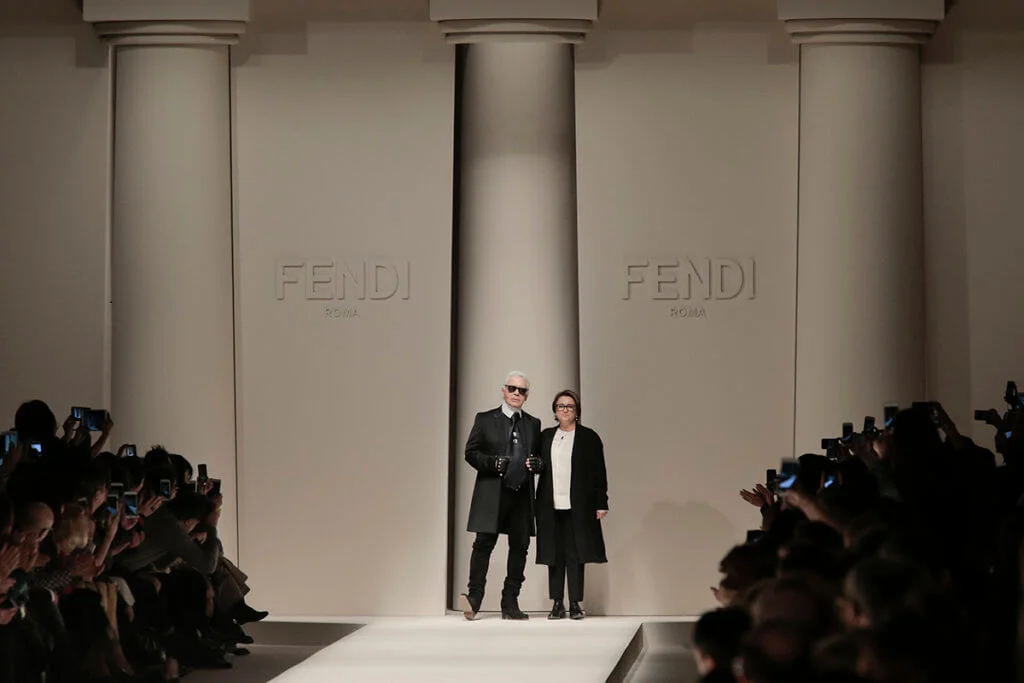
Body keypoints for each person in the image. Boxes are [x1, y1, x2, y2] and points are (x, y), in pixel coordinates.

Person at [459, 371, 543, 621]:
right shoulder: (485, 419)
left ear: (527, 395)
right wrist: (492, 463)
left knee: (520, 546)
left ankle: (510, 602)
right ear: (503, 390)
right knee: (483, 544)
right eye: (512, 388)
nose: (516, 393)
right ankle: (474, 599)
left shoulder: (533, 423)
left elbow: (540, 457)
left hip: (521, 494)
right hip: (493, 493)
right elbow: (470, 452)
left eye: (522, 390)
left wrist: (538, 464)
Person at [534, 389, 608, 620]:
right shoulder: (546, 436)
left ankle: (575, 602)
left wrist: (601, 502)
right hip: (550, 504)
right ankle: (557, 603)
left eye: (570, 406)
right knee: (554, 555)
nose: (565, 410)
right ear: (555, 411)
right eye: (561, 406)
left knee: (575, 554)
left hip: (579, 505)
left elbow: (599, 472)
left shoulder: (589, 437)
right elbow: (538, 464)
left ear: (577, 411)